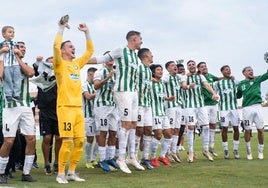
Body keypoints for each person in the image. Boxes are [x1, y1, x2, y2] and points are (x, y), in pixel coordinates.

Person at [89, 30, 144, 173]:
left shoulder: (134, 56)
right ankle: (120, 158)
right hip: (122, 92)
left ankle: (131, 156)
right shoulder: (121, 50)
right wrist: (80, 61)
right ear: (134, 39)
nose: (141, 42)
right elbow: (102, 58)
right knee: (124, 125)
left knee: (133, 125)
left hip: (132, 93)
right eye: (140, 39)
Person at [53, 16, 94, 184]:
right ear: (63, 51)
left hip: (78, 108)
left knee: (80, 142)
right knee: (67, 141)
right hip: (65, 108)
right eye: (70, 46)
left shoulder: (77, 64)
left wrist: (87, 32)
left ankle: (72, 172)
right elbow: (55, 46)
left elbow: (90, 52)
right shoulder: (59, 63)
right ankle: (60, 174)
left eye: (73, 46)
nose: (73, 48)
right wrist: (61, 28)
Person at [0, 41, 37, 184]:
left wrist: (18, 58)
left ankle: (26, 173)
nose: (22, 49)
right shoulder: (5, 66)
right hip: (10, 108)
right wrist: (3, 55)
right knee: (9, 141)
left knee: (32, 139)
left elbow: (31, 73)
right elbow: (0, 75)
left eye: (23, 48)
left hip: (26, 107)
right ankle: (1, 172)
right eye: (19, 47)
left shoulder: (23, 64)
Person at [181, 60, 218, 163]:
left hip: (201, 106)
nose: (192, 66)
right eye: (189, 65)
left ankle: (206, 150)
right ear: (188, 67)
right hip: (190, 106)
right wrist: (188, 86)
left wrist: (214, 93)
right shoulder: (185, 76)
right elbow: (183, 85)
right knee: (191, 127)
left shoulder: (200, 76)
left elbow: (206, 85)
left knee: (206, 126)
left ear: (195, 66)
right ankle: (191, 152)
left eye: (193, 64)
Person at [31, 56, 61, 175]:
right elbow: (36, 67)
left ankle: (57, 162)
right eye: (50, 63)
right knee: (47, 138)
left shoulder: (60, 74)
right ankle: (47, 162)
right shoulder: (42, 74)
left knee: (59, 138)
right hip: (45, 109)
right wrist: (38, 61)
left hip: (59, 109)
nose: (52, 65)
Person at [93, 53, 120, 172]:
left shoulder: (116, 73)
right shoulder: (99, 72)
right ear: (104, 60)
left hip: (113, 107)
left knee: (113, 132)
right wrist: (108, 77)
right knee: (103, 132)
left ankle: (110, 158)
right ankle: (102, 159)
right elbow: (96, 86)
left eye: (112, 59)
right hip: (102, 106)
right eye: (109, 59)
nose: (111, 61)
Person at [237, 66, 268, 160]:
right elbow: (238, 96)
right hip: (247, 108)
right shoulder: (241, 84)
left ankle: (260, 151)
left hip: (258, 107)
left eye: (252, 70)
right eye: (249, 70)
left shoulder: (257, 79)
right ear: (244, 73)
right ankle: (249, 152)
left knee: (260, 130)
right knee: (247, 130)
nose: (251, 72)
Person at [214, 65, 240, 159]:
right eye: (226, 70)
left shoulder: (234, 81)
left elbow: (242, 85)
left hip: (234, 108)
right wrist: (215, 97)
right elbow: (214, 93)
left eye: (229, 69)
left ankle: (235, 149)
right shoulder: (218, 83)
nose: (228, 71)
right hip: (223, 109)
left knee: (236, 128)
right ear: (222, 72)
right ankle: (225, 150)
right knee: (224, 128)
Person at [149, 64, 173, 167]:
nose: (161, 72)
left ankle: (162, 156)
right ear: (153, 72)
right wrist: (150, 79)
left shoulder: (162, 83)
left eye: (161, 70)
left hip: (163, 113)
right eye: (158, 70)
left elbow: (161, 96)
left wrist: (167, 98)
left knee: (168, 135)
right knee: (158, 135)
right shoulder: (149, 82)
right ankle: (152, 157)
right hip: (154, 113)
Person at [136, 48, 154, 169]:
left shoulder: (148, 70)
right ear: (146, 56)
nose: (153, 56)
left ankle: (145, 157)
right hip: (138, 104)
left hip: (147, 105)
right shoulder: (138, 68)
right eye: (151, 54)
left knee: (148, 130)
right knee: (138, 131)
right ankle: (133, 157)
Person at [197, 62, 219, 157]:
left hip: (213, 104)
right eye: (202, 67)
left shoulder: (210, 76)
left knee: (213, 125)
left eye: (205, 66)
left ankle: (211, 147)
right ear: (199, 69)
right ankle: (205, 147)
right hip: (204, 104)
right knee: (205, 126)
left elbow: (218, 78)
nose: (204, 68)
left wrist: (229, 77)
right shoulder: (198, 77)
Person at [163, 61, 183, 163]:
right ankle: (167, 152)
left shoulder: (179, 77)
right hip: (170, 107)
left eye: (175, 65)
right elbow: (158, 83)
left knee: (177, 129)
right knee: (169, 130)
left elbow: (185, 76)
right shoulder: (166, 78)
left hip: (179, 106)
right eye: (172, 65)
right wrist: (166, 98)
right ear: (167, 69)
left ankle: (174, 151)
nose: (175, 66)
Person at [0, 26, 23, 102]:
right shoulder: (2, 44)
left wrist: (18, 51)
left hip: (15, 64)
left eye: (13, 32)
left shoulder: (15, 43)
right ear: (3, 34)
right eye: (10, 32)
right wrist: (2, 50)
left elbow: (21, 55)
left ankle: (16, 95)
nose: (12, 33)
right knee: (8, 79)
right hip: (6, 65)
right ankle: (8, 95)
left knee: (17, 79)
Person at [83, 67, 99, 169]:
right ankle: (88, 160)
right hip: (88, 116)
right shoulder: (84, 85)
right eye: (95, 76)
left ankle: (94, 159)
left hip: (98, 115)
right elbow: (88, 96)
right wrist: (97, 93)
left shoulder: (96, 85)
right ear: (90, 75)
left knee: (99, 138)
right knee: (90, 138)